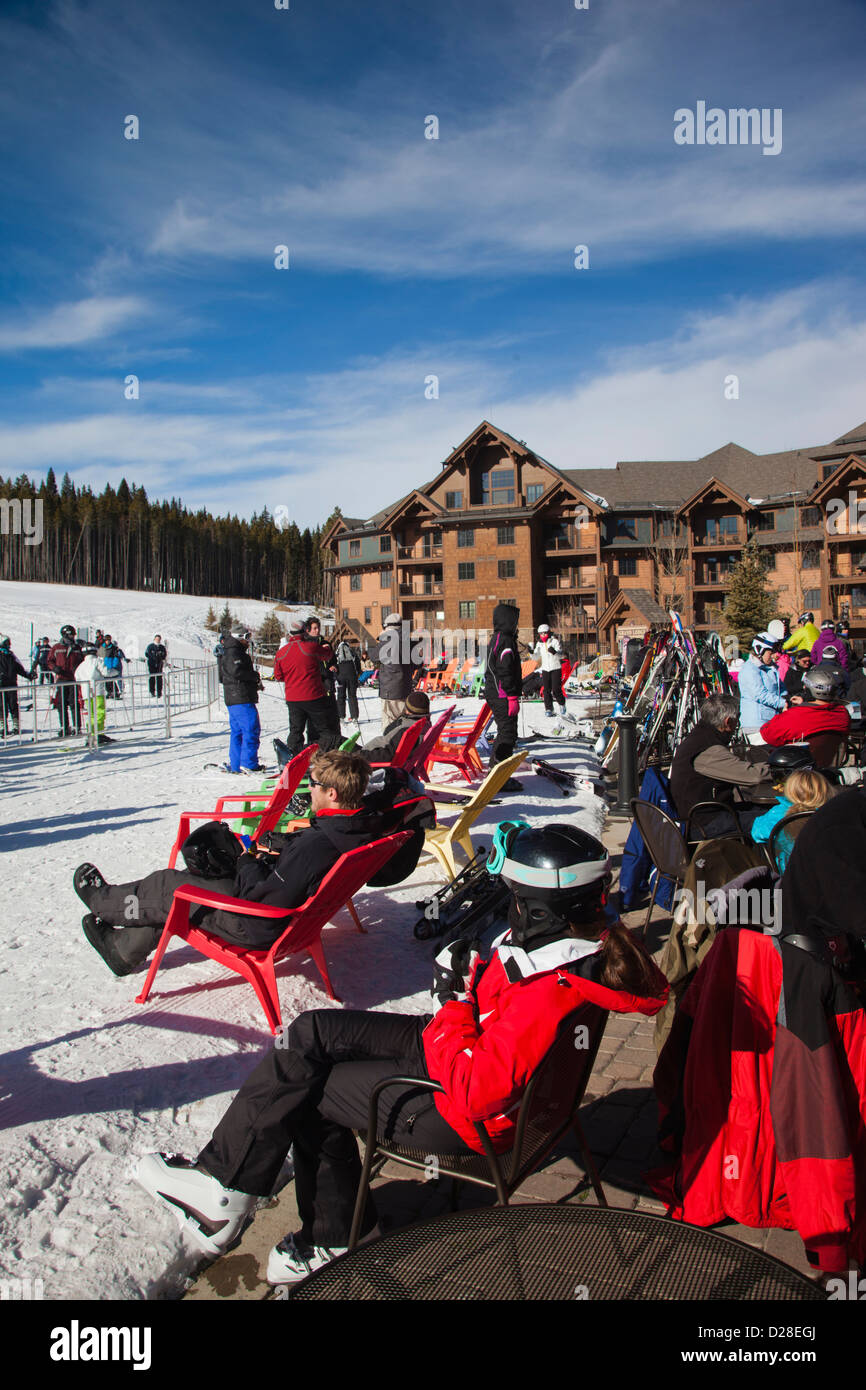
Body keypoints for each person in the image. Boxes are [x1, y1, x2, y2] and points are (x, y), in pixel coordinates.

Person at [134, 821, 668, 1282]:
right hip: (457, 1045)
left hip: (457, 1108)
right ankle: (223, 1183)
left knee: (309, 1089)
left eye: (515, 900)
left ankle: (331, 1236)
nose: (509, 909)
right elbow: (504, 1024)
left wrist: (453, 1001)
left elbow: (477, 1090)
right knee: (310, 1034)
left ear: (541, 908)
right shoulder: (583, 947)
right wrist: (473, 979)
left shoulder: (552, 993)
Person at [75, 750, 378, 976]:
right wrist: (276, 851)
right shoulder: (354, 827)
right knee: (188, 882)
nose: (308, 788)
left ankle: (103, 902)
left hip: (256, 923)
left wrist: (247, 860)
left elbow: (266, 895)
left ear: (332, 793)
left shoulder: (316, 845)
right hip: (284, 915)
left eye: (313, 784)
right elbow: (294, 874)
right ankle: (125, 949)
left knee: (168, 884)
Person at [669, 693, 772, 836]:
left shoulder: (700, 736)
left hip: (709, 814)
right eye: (738, 718)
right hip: (706, 824)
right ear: (728, 722)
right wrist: (778, 769)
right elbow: (753, 776)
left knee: (770, 809)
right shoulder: (707, 748)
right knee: (775, 819)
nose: (738, 724)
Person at [749, 753, 835, 872]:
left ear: (789, 790)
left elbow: (757, 833)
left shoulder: (778, 814)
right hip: (833, 875)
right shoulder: (834, 813)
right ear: (826, 789)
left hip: (791, 877)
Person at [273, 617, 340, 757]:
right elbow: (327, 655)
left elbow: (278, 676)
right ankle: (326, 756)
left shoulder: (281, 653)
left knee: (296, 731)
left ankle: (293, 758)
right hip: (313, 695)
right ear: (304, 631)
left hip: (293, 697)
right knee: (323, 729)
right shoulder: (310, 647)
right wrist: (326, 649)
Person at [758, 664, 851, 749]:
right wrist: (804, 704)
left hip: (800, 763)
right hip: (830, 762)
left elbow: (767, 734)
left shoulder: (795, 715)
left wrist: (786, 714)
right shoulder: (842, 713)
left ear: (809, 690)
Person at [484, 602, 523, 791]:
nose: (517, 625)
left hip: (498, 692)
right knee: (507, 733)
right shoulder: (505, 640)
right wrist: (511, 695)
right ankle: (498, 775)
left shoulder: (500, 638)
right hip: (501, 693)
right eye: (515, 621)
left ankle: (498, 773)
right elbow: (504, 669)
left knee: (506, 732)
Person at [218, 625, 264, 773]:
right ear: (241, 638)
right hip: (241, 698)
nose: (249, 641)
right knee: (251, 730)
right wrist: (254, 676)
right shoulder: (234, 652)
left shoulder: (230, 651)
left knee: (238, 732)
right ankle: (249, 764)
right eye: (247, 638)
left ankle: (237, 764)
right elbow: (236, 672)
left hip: (235, 697)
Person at [736, 632, 786, 734]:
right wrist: (783, 703)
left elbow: (781, 689)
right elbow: (760, 694)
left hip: (771, 721)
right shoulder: (749, 669)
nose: (773, 656)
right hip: (755, 725)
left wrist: (789, 698)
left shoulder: (771, 668)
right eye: (770, 653)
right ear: (759, 650)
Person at [360, 689, 429, 763]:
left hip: (371, 755)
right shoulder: (423, 724)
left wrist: (359, 755)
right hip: (378, 751)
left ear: (407, 710)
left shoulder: (407, 730)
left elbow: (387, 754)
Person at [375, 612, 417, 729]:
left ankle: (391, 746)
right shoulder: (409, 641)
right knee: (403, 723)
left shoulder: (387, 640)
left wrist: (381, 639)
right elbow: (417, 664)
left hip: (390, 690)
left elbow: (374, 656)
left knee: (389, 725)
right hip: (405, 688)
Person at [47, 625, 84, 736]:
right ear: (65, 635)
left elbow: (83, 660)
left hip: (73, 679)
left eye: (73, 635)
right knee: (61, 703)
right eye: (70, 635)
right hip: (62, 678)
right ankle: (64, 726)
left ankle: (77, 727)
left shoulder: (77, 648)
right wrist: (54, 668)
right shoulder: (56, 647)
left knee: (74, 703)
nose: (72, 637)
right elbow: (49, 661)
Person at [75, 643, 113, 746]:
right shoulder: (97, 661)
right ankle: (98, 733)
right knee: (99, 712)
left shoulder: (81, 665)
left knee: (91, 713)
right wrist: (115, 672)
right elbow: (105, 672)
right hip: (98, 691)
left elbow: (77, 677)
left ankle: (91, 734)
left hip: (86, 692)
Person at [531, 624, 570, 721]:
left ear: (548, 633)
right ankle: (549, 709)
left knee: (556, 689)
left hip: (555, 667)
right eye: (541, 633)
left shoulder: (554, 641)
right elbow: (535, 657)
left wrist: (555, 652)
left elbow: (561, 655)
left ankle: (562, 704)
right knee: (546, 690)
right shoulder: (539, 644)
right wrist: (531, 652)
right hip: (545, 669)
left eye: (545, 633)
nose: (543, 635)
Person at [0, 636, 32, 735]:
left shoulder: (11, 655)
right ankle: (2, 726)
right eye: (7, 643)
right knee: (1, 706)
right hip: (1, 685)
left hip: (12, 684)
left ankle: (16, 725)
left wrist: (28, 675)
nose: (9, 645)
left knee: (13, 704)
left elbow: (18, 667)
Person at [333, 636, 361, 724]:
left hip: (340, 677)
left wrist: (335, 676)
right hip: (352, 676)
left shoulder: (336, 655)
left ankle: (341, 716)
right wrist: (357, 675)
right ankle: (354, 716)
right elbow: (358, 667)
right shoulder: (353, 654)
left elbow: (334, 667)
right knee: (352, 696)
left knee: (341, 696)